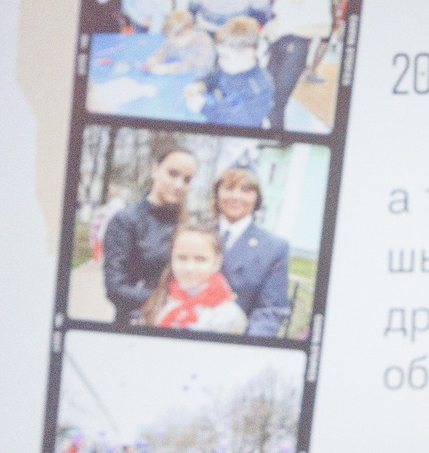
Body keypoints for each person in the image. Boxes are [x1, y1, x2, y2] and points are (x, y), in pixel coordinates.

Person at [101, 144, 200, 321]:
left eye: (187, 180)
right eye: (173, 174)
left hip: (182, 322)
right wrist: (168, 302)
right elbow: (115, 288)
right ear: (155, 170)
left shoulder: (188, 225)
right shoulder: (126, 220)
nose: (179, 185)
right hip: (137, 321)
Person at [213, 165, 293, 337]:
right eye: (229, 188)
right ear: (217, 193)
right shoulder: (193, 234)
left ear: (257, 198)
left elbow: (271, 311)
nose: (236, 196)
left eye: (246, 190)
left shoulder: (274, 248)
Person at [263, 0, 336, 127]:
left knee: (277, 103)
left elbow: (324, 29)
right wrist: (270, 28)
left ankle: (279, 140)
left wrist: (287, 28)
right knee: (269, 99)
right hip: (276, 46)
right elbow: (279, 16)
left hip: (296, 50)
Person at [138, 219, 248, 334]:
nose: (189, 268)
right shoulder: (160, 302)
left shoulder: (229, 316)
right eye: (182, 258)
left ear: (217, 262)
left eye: (200, 259)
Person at [188, 16, 275, 128]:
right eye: (219, 55)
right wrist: (200, 85)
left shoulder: (259, 88)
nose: (220, 61)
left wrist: (204, 108)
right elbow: (213, 78)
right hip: (217, 113)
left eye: (225, 57)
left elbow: (241, 124)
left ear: (247, 53)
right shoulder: (227, 67)